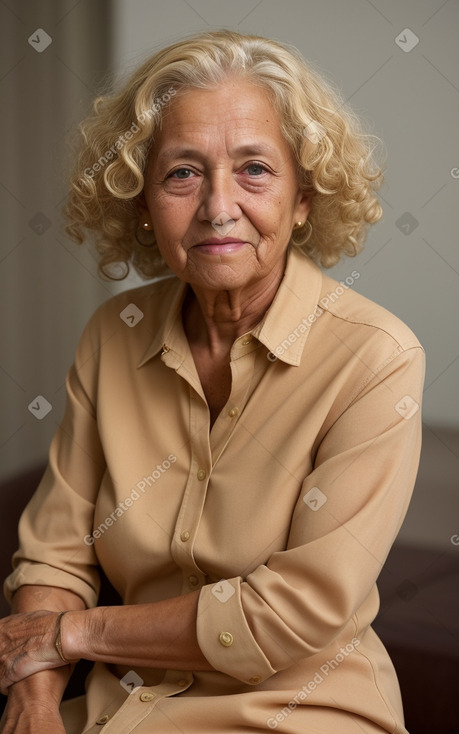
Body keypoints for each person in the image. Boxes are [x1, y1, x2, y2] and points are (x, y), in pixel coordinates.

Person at [0, 29, 424, 734]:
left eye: (254, 170)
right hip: (121, 707)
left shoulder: (376, 358)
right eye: (181, 173)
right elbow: (54, 552)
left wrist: (73, 635)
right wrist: (33, 697)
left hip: (301, 711)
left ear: (302, 199)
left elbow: (293, 612)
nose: (216, 207)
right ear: (140, 201)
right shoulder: (115, 332)